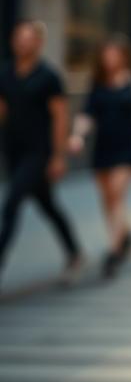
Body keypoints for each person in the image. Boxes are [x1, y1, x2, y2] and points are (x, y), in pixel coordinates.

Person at [68, 34, 131, 278]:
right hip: (103, 147)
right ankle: (126, 234)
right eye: (106, 54)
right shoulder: (98, 80)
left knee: (116, 193)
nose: (110, 59)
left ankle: (113, 249)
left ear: (123, 55)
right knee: (107, 197)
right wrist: (78, 136)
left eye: (114, 54)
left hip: (128, 148)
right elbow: (87, 113)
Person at [0, 20, 84, 287]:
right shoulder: (5, 73)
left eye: (28, 38)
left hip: (39, 153)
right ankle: (74, 252)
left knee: (11, 204)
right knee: (47, 205)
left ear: (38, 43)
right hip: (14, 151)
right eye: (18, 37)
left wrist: (58, 157)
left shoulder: (49, 77)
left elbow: (60, 117)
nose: (22, 42)